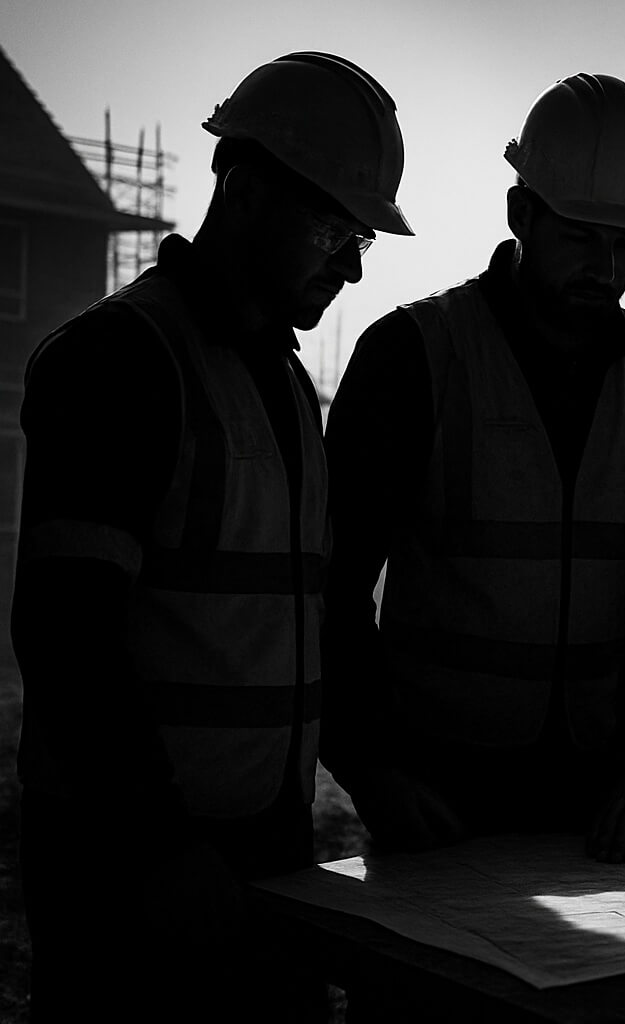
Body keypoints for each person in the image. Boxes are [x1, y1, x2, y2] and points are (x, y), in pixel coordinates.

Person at [12, 52, 411, 1022]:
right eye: (334, 229)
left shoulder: (284, 384)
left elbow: (305, 621)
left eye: (361, 236)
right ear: (245, 190)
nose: (353, 264)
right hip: (129, 873)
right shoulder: (121, 359)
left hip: (261, 858)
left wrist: (375, 774)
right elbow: (66, 635)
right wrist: (158, 846)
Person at [321, 73, 625, 864]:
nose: (606, 267)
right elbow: (331, 586)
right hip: (439, 796)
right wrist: (370, 766)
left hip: (599, 801)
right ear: (520, 214)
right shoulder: (414, 355)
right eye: (582, 237)